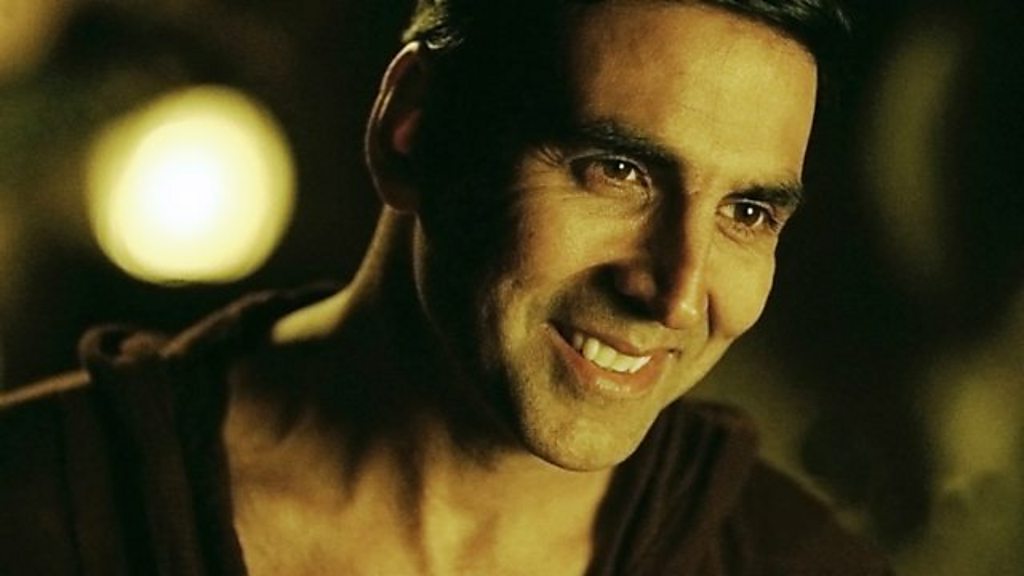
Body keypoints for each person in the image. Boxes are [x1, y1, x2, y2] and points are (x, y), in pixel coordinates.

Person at [0, 0, 891, 573]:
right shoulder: (36, 507)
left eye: (747, 213)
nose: (677, 294)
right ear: (412, 129)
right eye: (617, 170)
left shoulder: (796, 563)